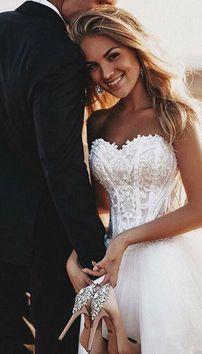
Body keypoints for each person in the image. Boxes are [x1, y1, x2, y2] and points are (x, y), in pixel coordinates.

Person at [67, 5, 202, 353]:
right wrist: (77, 250)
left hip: (172, 265)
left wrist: (125, 239)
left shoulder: (176, 115)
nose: (107, 73)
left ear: (136, 49)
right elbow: (101, 205)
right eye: (93, 66)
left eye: (114, 56)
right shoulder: (97, 123)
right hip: (114, 267)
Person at [0, 1, 116, 354]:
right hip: (42, 234)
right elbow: (61, 163)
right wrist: (93, 254)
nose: (104, 8)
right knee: (59, 338)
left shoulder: (3, 25)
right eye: (99, 0)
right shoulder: (59, 52)